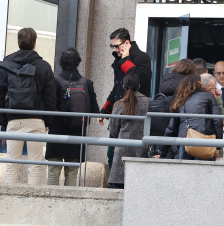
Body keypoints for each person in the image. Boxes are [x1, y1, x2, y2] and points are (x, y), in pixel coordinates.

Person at [0, 28, 56, 185]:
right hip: (36, 120)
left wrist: (4, 120)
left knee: (12, 165)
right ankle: (34, 204)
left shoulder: (6, 64)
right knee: (35, 165)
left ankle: (8, 204)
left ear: (18, 43)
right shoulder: (43, 66)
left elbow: (0, 93)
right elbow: (50, 97)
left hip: (13, 118)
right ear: (35, 43)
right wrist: (48, 122)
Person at [98, 28, 152, 172]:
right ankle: (113, 185)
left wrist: (126, 59)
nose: (115, 49)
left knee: (135, 154)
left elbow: (138, 80)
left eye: (117, 45)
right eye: (112, 46)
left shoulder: (142, 57)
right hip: (120, 111)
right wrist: (105, 110)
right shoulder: (120, 59)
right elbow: (117, 87)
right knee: (112, 152)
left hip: (136, 112)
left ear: (127, 43)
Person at [45, 48, 99, 186]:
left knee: (53, 171)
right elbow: (94, 110)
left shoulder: (54, 81)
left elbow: (49, 105)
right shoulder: (87, 83)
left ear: (61, 62)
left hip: (57, 132)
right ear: (78, 63)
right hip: (77, 133)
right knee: (72, 173)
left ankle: (52, 202)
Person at [156, 75, 223, 160]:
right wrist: (218, 146)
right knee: (204, 172)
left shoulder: (181, 100)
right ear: (199, 84)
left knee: (184, 171)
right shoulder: (208, 96)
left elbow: (171, 129)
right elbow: (217, 122)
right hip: (204, 142)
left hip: (184, 142)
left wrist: (162, 152)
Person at [108, 73, 152, 188]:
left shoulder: (119, 105)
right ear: (139, 86)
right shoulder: (149, 103)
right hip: (142, 151)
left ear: (123, 86)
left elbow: (113, 130)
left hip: (121, 154)